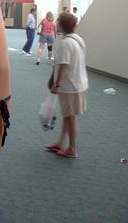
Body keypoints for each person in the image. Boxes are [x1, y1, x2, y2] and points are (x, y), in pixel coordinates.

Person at [45, 13, 88, 159]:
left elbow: (63, 66)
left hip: (70, 87)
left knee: (70, 117)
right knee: (68, 115)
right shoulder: (78, 39)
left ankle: (72, 149)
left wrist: (56, 85)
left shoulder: (65, 44)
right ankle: (60, 143)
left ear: (61, 26)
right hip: (79, 84)